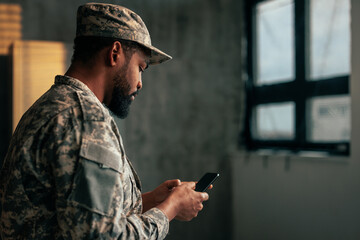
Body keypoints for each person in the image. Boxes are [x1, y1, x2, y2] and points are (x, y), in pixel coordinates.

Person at [0, 3, 209, 239]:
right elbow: (103, 236)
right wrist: (170, 209)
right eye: (141, 68)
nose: (140, 83)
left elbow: (78, 211)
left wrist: (151, 201)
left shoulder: (52, 105)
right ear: (115, 53)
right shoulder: (84, 120)